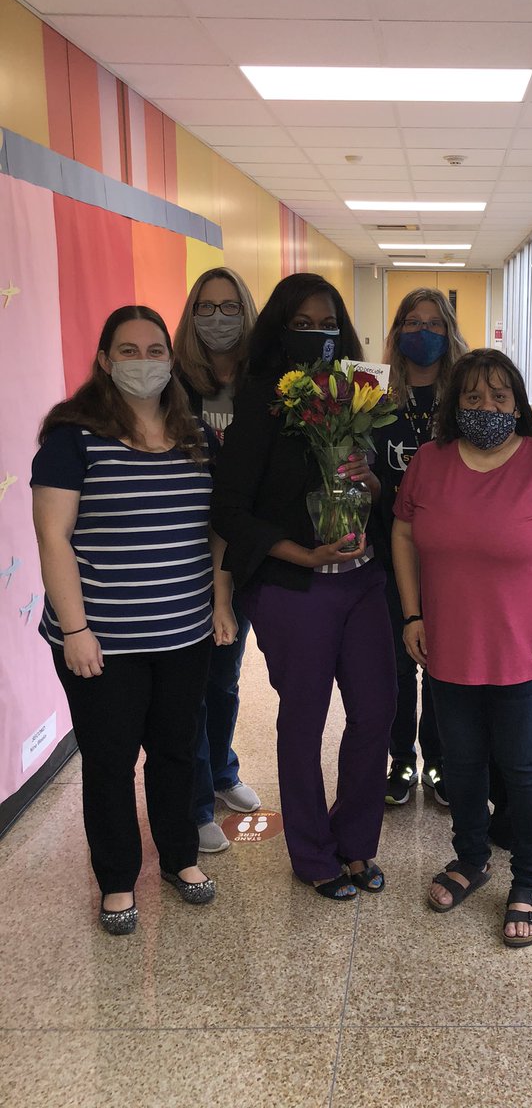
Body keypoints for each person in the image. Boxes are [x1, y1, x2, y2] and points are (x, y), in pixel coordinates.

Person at [31, 306, 235, 935]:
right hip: (102, 639)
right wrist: (75, 630)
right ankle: (118, 880)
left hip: (184, 632)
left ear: (170, 360)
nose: (143, 362)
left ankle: (178, 858)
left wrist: (220, 604)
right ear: (104, 359)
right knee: (110, 761)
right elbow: (53, 537)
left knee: (176, 751)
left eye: (154, 351)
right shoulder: (73, 437)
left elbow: (216, 531)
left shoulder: (196, 436)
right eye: (128, 350)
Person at [392, 349, 532, 947]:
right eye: (473, 397)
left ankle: (529, 879)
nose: (487, 407)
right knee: (461, 763)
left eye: (500, 397)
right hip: (449, 646)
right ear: (454, 403)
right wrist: (412, 613)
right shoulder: (429, 462)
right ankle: (471, 859)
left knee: (525, 766)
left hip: (526, 650)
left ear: (518, 404)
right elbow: (402, 532)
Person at [211, 273, 396, 901]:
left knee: (375, 711)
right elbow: (230, 509)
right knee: (304, 720)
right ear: (280, 330)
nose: (318, 334)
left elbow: (381, 495)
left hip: (362, 581)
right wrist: (305, 554)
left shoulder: (358, 395)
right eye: (303, 324)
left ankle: (356, 842)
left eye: (328, 324)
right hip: (294, 586)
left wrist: (369, 481)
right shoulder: (263, 401)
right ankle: (313, 853)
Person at [174, 267, 260, 854]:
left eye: (230, 307)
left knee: (225, 674)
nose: (218, 319)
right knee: (194, 685)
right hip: (184, 552)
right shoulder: (173, 384)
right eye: (206, 307)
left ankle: (223, 770)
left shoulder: (264, 383)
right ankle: (197, 800)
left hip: (240, 550)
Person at [373, 288, 467, 809]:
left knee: (441, 664)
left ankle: (439, 760)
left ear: (449, 333)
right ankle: (400, 760)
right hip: (387, 553)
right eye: (412, 322)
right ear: (397, 332)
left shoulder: (464, 398)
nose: (423, 332)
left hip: (448, 558)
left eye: (434, 324)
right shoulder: (374, 395)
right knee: (393, 664)